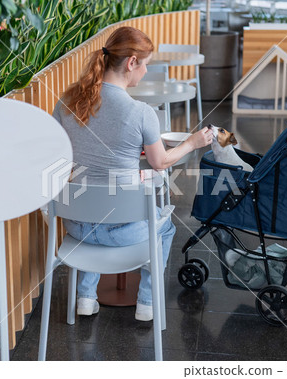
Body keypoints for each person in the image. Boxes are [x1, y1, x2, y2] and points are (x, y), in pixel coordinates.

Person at [52, 26, 212, 321]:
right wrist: (193, 142)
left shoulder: (66, 102)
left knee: (91, 200)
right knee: (165, 225)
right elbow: (160, 162)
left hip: (75, 226)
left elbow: (60, 157)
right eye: (146, 63)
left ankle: (86, 297)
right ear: (131, 63)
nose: (146, 69)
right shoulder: (140, 112)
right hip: (124, 233)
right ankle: (147, 304)